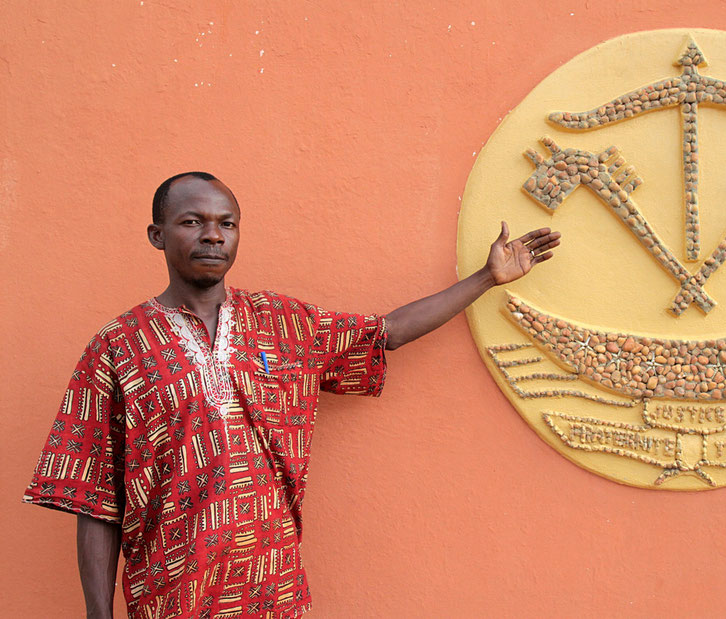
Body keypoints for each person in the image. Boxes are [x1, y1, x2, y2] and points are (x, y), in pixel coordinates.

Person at [23, 171, 560, 619]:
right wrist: (99, 614)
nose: (213, 236)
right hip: (171, 596)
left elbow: (386, 332)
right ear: (157, 235)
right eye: (193, 222)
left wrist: (486, 279)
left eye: (226, 224)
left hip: (273, 591)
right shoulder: (118, 346)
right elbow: (92, 497)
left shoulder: (282, 325)